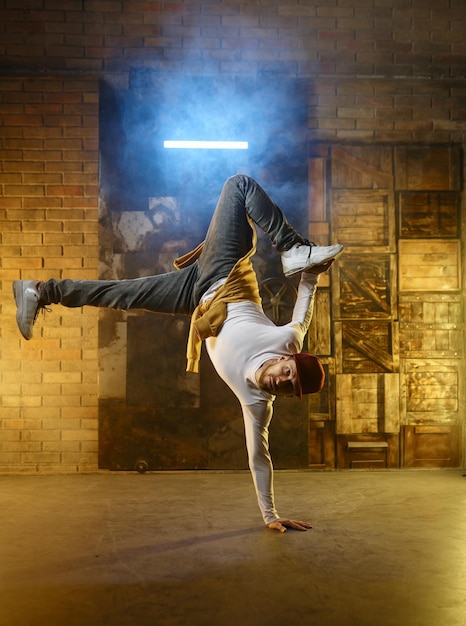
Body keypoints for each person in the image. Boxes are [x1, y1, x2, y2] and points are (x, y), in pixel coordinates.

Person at [13, 174, 343, 533]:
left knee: (121, 295)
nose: (281, 381)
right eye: (289, 373)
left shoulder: (257, 403)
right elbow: (305, 305)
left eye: (287, 387)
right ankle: (292, 246)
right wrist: (311, 271)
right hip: (226, 274)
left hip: (192, 295)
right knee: (239, 186)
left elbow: (259, 457)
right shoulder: (289, 340)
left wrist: (270, 515)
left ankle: (40, 291)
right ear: (286, 359)